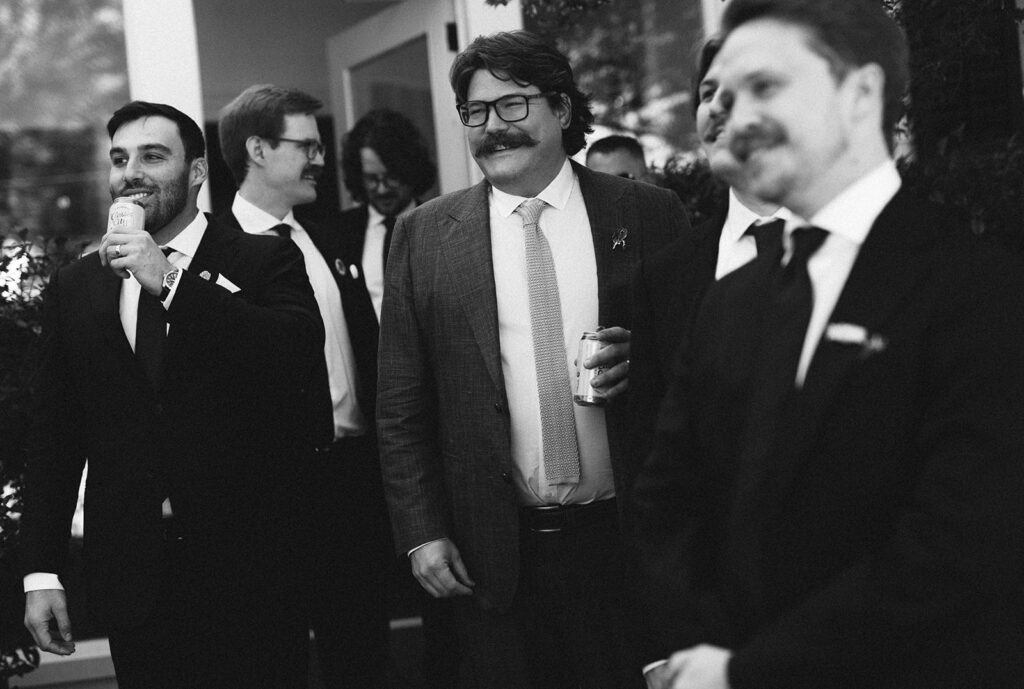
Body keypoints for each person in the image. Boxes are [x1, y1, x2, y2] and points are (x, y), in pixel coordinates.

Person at [632, 1, 1024, 687]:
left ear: (861, 93)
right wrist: (704, 649)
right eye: (720, 92)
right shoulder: (729, 298)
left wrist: (752, 669)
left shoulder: (979, 290)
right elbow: (669, 500)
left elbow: (958, 545)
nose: (730, 112)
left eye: (766, 86)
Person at [376, 30, 690, 689]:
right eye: (475, 111)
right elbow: (402, 402)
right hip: (494, 556)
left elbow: (698, 372)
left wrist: (648, 362)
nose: (493, 126)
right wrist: (421, 530)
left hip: (626, 542)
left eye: (513, 105)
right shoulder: (424, 235)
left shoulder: (648, 212)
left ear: (563, 110)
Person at [19, 101, 323, 689]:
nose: (131, 172)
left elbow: (294, 357)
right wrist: (41, 572)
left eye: (153, 156)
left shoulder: (261, 257)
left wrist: (173, 283)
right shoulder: (77, 286)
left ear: (198, 172)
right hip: (136, 580)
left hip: (253, 572)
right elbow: (54, 436)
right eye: (119, 159)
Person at [216, 84, 390, 688]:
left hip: (353, 486)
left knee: (364, 657)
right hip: (268, 501)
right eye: (306, 146)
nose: (320, 158)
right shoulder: (213, 252)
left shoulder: (334, 241)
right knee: (274, 663)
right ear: (258, 149)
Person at [628, 37, 791, 491]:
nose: (720, 107)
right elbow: (653, 453)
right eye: (708, 92)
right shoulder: (665, 277)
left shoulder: (889, 247)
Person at [339, 108, 437, 320]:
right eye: (372, 179)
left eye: (391, 177)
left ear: (410, 170)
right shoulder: (339, 234)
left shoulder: (439, 228)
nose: (382, 189)